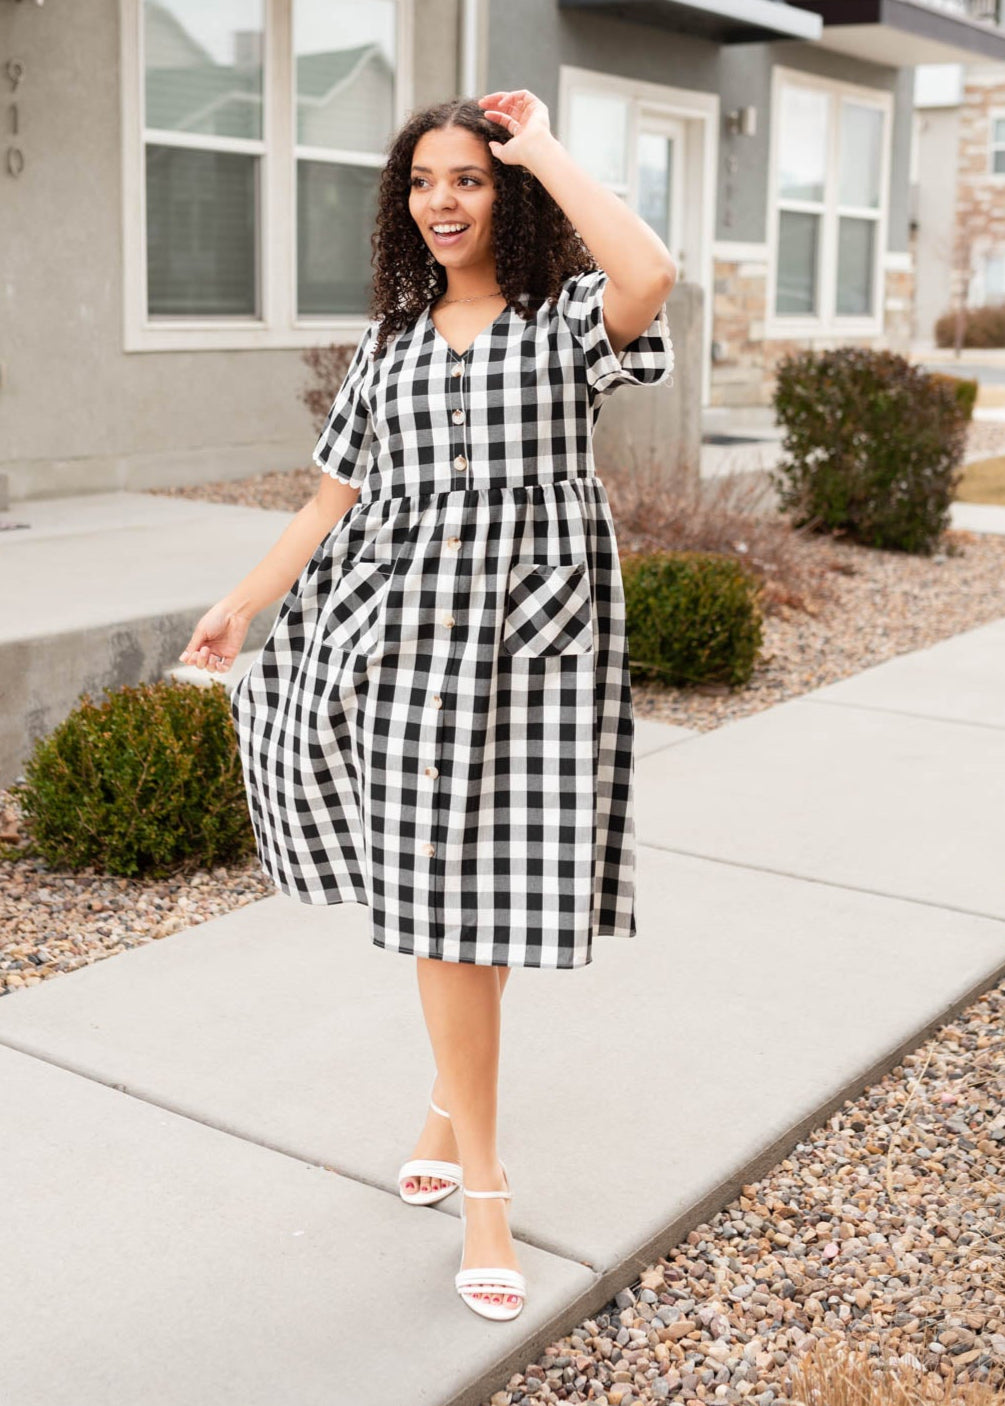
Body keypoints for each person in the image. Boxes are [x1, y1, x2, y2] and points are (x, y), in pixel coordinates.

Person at [179, 89, 676, 1322]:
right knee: (439, 902)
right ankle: (488, 1189)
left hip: (540, 645)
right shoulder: (390, 343)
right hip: (402, 637)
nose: (442, 201)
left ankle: (451, 1104)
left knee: (494, 888)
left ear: (506, 192)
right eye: (422, 182)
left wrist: (544, 143)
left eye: (468, 178)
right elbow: (330, 501)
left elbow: (652, 270)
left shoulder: (564, 321)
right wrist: (242, 602)